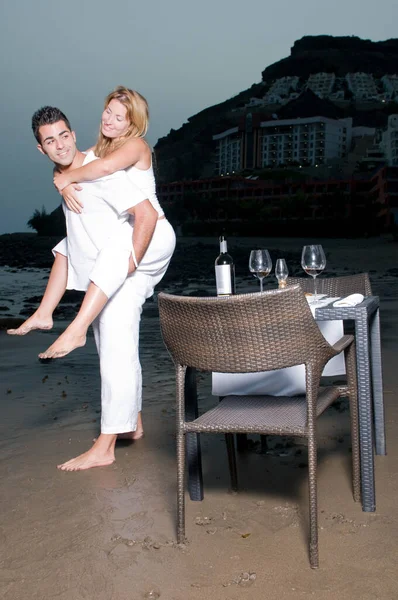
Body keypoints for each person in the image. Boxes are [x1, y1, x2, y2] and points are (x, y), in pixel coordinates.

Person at [11, 104, 175, 471]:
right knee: (113, 346)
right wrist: (44, 311)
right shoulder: (66, 175)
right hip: (115, 268)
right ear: (41, 149)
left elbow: (146, 215)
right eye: (50, 141)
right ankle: (131, 424)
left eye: (64, 135)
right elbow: (71, 247)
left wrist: (128, 264)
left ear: (73, 132)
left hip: (141, 248)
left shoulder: (98, 168)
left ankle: (105, 446)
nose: (59, 145)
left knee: (112, 341)